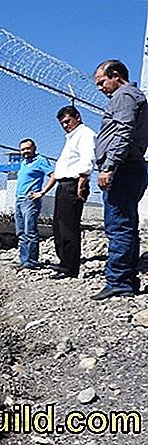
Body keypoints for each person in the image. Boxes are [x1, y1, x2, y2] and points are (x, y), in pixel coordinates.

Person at [91, 60, 148, 301]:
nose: (101, 88)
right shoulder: (133, 96)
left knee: (118, 227)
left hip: (123, 168)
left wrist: (110, 166)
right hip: (130, 167)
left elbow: (124, 130)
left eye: (102, 82)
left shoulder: (124, 96)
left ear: (115, 75)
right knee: (126, 225)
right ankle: (126, 278)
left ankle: (118, 281)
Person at [33, 106, 96, 279]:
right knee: (59, 227)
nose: (65, 125)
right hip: (64, 184)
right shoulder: (71, 137)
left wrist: (82, 183)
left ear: (78, 117)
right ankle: (64, 262)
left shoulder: (85, 134)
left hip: (74, 184)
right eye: (62, 123)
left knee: (69, 227)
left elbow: (87, 158)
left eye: (68, 121)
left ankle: (70, 268)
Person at [14, 139, 54, 269]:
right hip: (19, 200)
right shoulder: (24, 163)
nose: (25, 151)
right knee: (21, 232)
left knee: (30, 231)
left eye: (28, 148)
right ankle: (24, 260)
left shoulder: (41, 161)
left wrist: (41, 192)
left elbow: (54, 175)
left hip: (30, 201)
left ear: (34, 148)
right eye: (23, 149)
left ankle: (31, 261)